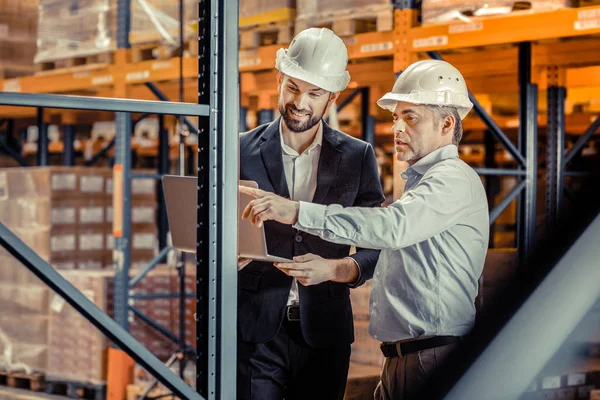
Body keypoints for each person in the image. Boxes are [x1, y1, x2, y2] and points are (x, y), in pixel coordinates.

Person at [240, 59, 490, 400]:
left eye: (410, 117)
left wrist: (296, 211)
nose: (397, 128)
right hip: (403, 357)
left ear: (447, 123)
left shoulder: (452, 180)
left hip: (431, 356)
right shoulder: (421, 186)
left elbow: (390, 228)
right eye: (395, 117)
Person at [237, 27, 385, 400]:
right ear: (279, 80)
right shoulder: (239, 150)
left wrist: (337, 269)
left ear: (332, 97)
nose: (300, 102)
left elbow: (376, 241)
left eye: (314, 93)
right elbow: (207, 230)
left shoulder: (357, 156)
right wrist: (225, 257)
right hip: (255, 331)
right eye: (292, 87)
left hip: (325, 332)